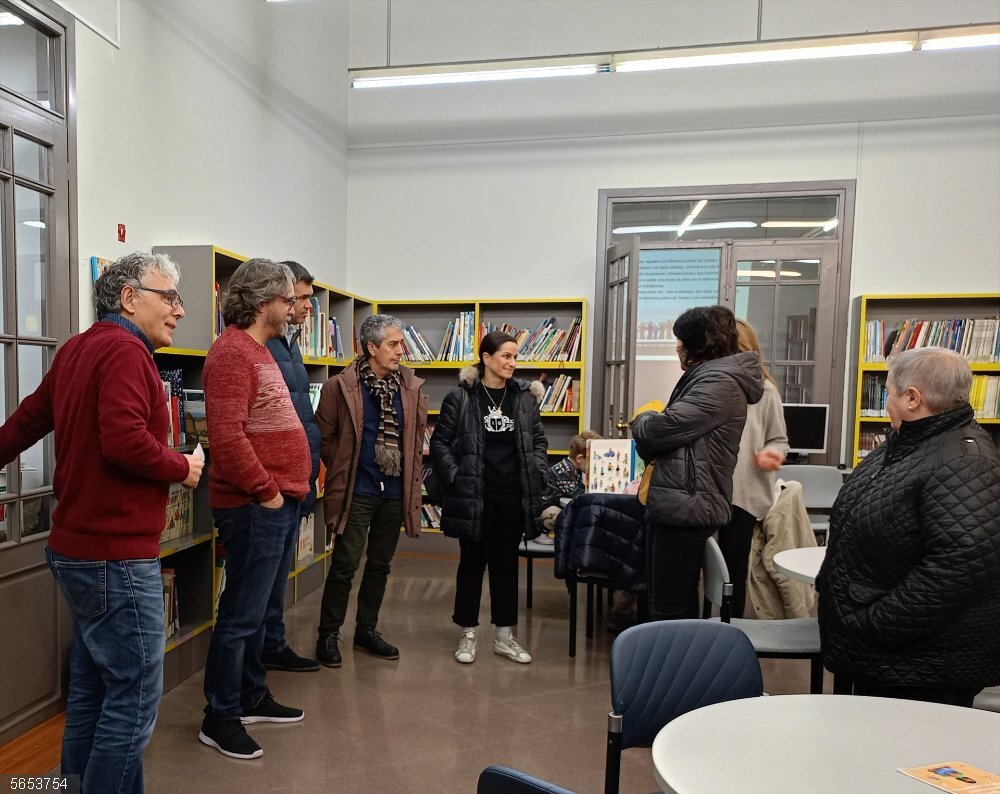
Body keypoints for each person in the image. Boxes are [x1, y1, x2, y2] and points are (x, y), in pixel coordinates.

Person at [0, 252, 203, 794]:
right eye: (170, 297)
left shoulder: (79, 349)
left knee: (93, 690)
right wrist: (183, 465)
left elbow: (27, 419)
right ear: (130, 298)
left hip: (77, 549)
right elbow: (125, 443)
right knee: (134, 701)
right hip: (114, 556)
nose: (179, 311)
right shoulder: (126, 352)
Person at [817, 346, 1000, 707]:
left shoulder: (966, 462)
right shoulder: (908, 444)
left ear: (913, 398)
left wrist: (874, 625)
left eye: (888, 392)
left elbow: (959, 567)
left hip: (920, 665)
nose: (886, 401)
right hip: (886, 655)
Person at [199, 259, 311, 760]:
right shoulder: (230, 354)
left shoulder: (259, 350)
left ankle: (251, 696)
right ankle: (219, 716)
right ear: (263, 300)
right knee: (241, 616)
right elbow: (225, 436)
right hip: (253, 505)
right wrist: (266, 490)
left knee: (258, 613)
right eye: (288, 300)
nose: (293, 309)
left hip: (277, 501)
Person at [631, 305, 763, 621]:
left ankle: (671, 670)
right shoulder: (712, 377)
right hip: (682, 501)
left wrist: (644, 416)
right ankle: (674, 668)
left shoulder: (718, 382)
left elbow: (658, 432)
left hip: (686, 505)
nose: (678, 348)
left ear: (697, 344)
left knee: (668, 609)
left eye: (682, 341)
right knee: (670, 602)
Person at [314, 314, 428, 668]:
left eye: (400, 343)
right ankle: (328, 634)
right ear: (371, 347)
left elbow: (416, 437)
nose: (400, 351)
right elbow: (325, 438)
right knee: (345, 565)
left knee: (380, 565)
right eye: (393, 344)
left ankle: (367, 630)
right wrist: (347, 465)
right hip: (357, 488)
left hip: (394, 492)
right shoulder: (340, 386)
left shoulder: (410, 387)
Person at [430, 331, 548, 665]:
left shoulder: (524, 398)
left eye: (515, 357)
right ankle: (467, 633)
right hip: (474, 495)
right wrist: (456, 476)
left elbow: (538, 441)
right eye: (506, 356)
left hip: (513, 496)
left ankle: (504, 636)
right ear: (486, 358)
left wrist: (537, 471)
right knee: (471, 564)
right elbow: (439, 443)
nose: (512, 363)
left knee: (506, 566)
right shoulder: (462, 397)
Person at [260, 260, 321, 673]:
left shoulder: (289, 341)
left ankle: (272, 644)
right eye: (298, 299)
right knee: (265, 580)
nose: (304, 307)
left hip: (296, 477)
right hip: (272, 484)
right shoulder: (262, 344)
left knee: (280, 575)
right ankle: (263, 654)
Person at [717, 318, 789, 617]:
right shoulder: (706, 385)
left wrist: (771, 455)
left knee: (734, 572)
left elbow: (779, 439)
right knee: (697, 569)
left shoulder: (766, 392)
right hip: (705, 492)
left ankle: (730, 633)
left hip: (743, 495)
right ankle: (696, 635)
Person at [536, 429, 603, 543]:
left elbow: (579, 486)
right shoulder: (564, 471)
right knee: (563, 515)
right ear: (579, 458)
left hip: (554, 503)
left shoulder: (572, 469)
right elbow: (575, 492)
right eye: (592, 461)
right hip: (544, 508)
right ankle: (541, 531)